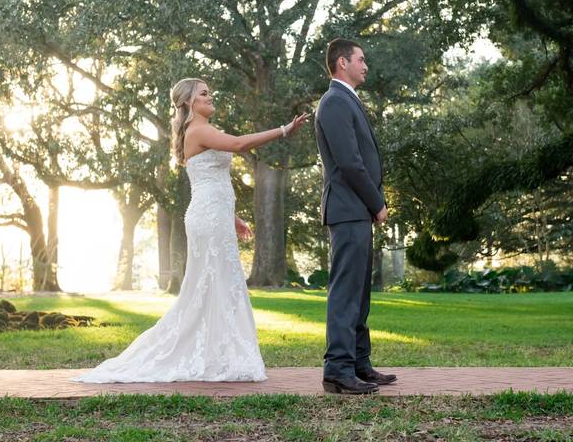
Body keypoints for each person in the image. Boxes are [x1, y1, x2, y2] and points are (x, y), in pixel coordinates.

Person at [73, 78, 308, 383]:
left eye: (211, 92)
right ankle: (212, 354)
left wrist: (233, 217)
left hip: (214, 214)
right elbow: (238, 145)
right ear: (188, 102)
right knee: (212, 283)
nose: (212, 97)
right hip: (207, 218)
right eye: (204, 93)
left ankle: (219, 353)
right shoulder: (198, 130)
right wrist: (284, 130)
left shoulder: (202, 130)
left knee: (218, 283)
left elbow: (210, 180)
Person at [314, 38, 396, 394]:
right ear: (342, 62)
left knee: (360, 294)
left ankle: (359, 363)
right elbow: (349, 162)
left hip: (356, 211)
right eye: (361, 59)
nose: (366, 65)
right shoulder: (333, 101)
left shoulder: (347, 100)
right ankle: (337, 370)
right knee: (346, 293)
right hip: (348, 209)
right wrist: (377, 202)